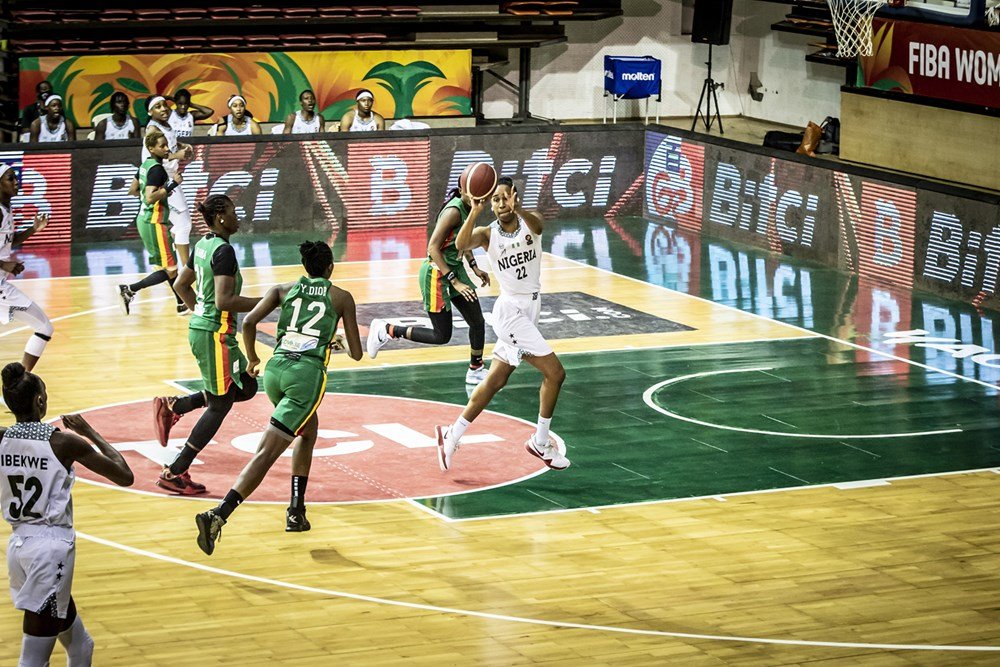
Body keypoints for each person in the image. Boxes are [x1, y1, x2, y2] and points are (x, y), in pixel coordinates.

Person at [195, 241, 364, 555]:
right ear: (329, 268)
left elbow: (247, 322)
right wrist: (331, 341)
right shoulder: (341, 297)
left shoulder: (282, 289)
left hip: (274, 372)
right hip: (305, 378)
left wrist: (252, 360)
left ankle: (296, 511)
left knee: (308, 430)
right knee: (266, 453)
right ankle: (218, 515)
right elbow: (356, 353)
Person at [1, 362, 134, 667]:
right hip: (50, 552)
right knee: (32, 661)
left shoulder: (2, 438)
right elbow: (125, 475)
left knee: (82, 646)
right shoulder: (63, 442)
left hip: (19, 549)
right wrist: (91, 432)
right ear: (40, 401)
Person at [435, 178, 569, 471]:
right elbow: (459, 244)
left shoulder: (530, 223)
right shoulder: (487, 234)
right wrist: (475, 211)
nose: (499, 205)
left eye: (504, 198)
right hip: (510, 312)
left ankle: (452, 433)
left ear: (515, 198)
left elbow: (539, 224)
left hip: (531, 307)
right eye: (494, 201)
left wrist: (518, 209)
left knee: (496, 379)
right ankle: (541, 441)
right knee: (556, 374)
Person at [152, 194, 260, 495]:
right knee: (220, 403)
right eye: (233, 212)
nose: (237, 217)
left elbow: (180, 285)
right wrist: (267, 302)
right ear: (221, 217)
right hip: (214, 334)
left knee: (247, 387)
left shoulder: (202, 245)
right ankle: (175, 471)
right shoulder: (223, 251)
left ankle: (177, 405)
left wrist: (200, 310)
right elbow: (225, 300)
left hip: (212, 330)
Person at [367, 183, 491, 385]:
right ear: (461, 190)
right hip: (437, 272)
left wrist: (474, 266)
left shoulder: (471, 207)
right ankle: (387, 329)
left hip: (455, 268)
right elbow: (432, 247)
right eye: (471, 189)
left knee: (477, 321)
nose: (475, 193)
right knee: (442, 335)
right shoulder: (454, 211)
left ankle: (476, 369)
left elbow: (463, 239)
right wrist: (455, 282)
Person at [117, 130, 185, 315]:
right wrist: (171, 186)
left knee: (167, 266)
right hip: (155, 222)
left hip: (144, 220)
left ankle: (181, 303)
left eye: (166, 145)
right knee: (171, 268)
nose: (166, 149)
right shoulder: (157, 169)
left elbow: (132, 190)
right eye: (161, 146)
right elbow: (148, 197)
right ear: (151, 148)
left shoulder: (144, 166)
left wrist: (160, 191)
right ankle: (129, 289)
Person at [0, 164, 54, 372]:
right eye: (10, 179)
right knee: (44, 327)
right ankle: (20, 382)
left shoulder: (6, 209)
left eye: (16, 178)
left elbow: (8, 242)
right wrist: (5, 264)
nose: (16, 183)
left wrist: (33, 229)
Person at [134, 96, 195, 281]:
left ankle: (182, 273)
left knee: (178, 226)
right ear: (149, 112)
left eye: (165, 105)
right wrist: (179, 154)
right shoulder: (153, 128)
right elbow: (158, 153)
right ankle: (187, 273)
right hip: (164, 179)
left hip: (166, 178)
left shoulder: (165, 126)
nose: (163, 109)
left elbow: (169, 145)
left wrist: (182, 146)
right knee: (184, 224)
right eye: (157, 106)